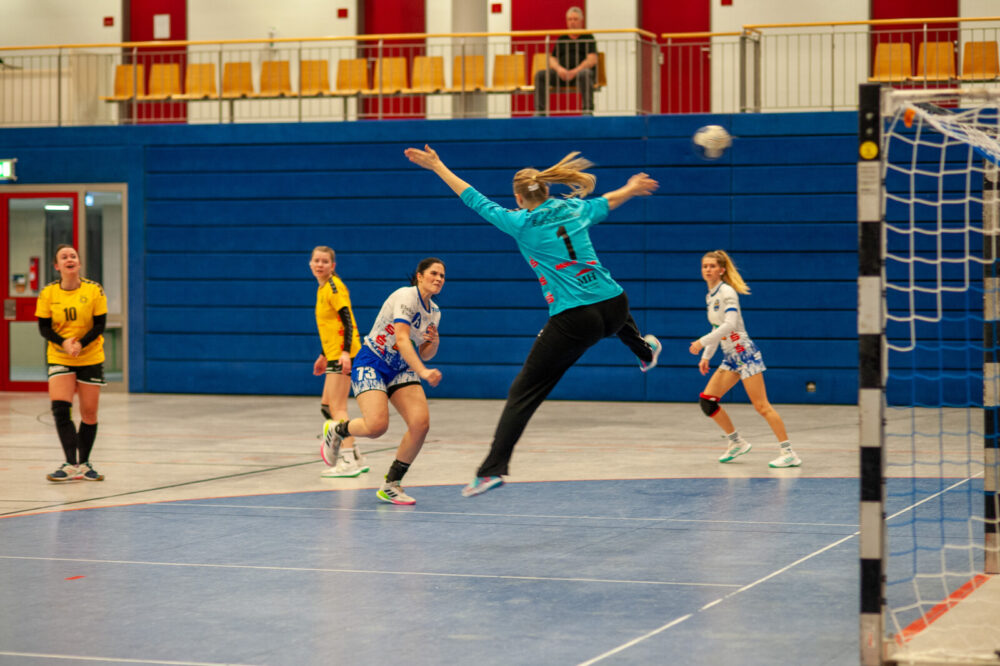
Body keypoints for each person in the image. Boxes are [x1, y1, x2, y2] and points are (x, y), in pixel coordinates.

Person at [403, 144, 659, 497]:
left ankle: (492, 469)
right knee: (609, 300)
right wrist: (631, 188)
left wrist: (438, 166)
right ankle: (644, 352)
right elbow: (608, 201)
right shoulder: (573, 208)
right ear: (547, 189)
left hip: (576, 318)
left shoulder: (520, 222)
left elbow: (473, 197)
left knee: (523, 391)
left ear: (519, 198)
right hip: (616, 305)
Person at [322, 257, 445, 505]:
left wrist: (434, 341)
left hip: (400, 368)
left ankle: (392, 484)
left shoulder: (435, 312)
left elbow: (423, 352)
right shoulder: (405, 296)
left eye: (442, 276)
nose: (439, 279)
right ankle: (336, 429)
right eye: (434, 273)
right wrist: (423, 371)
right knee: (377, 427)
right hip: (373, 361)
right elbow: (401, 339)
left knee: (420, 424)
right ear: (420, 276)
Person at [688, 250, 802, 468]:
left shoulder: (727, 292)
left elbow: (729, 325)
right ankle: (736, 442)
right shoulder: (710, 295)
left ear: (721, 270)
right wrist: (706, 355)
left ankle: (788, 452)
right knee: (708, 401)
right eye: (705, 266)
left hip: (745, 354)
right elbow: (716, 327)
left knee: (761, 406)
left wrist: (701, 342)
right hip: (730, 357)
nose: (708, 270)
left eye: (712, 266)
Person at [35, 244, 108, 482]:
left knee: (89, 413)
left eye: (73, 256)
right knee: (60, 409)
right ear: (57, 266)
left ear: (78, 263)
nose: (69, 259)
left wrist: (81, 344)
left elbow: (100, 324)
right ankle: (70, 463)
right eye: (64, 257)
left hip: (90, 355)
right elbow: (44, 327)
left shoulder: (94, 289)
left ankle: (84, 463)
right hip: (59, 355)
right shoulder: (48, 293)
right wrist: (64, 343)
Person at [311, 246, 366, 478]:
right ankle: (355, 455)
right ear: (310, 264)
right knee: (327, 407)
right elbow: (330, 325)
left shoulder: (334, 287)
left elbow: (347, 319)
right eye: (316, 260)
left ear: (333, 266)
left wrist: (344, 353)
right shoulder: (322, 288)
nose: (320, 264)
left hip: (345, 354)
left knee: (338, 408)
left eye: (325, 261)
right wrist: (324, 354)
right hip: (333, 354)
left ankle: (347, 460)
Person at [533, 6, 598, 116]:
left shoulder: (588, 37)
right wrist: (559, 69)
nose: (572, 22)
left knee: (585, 74)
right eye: (570, 19)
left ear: (581, 21)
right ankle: (540, 112)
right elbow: (552, 59)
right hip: (562, 74)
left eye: (575, 19)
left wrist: (575, 71)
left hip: (579, 75)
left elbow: (592, 59)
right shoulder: (562, 38)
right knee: (540, 75)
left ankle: (587, 110)